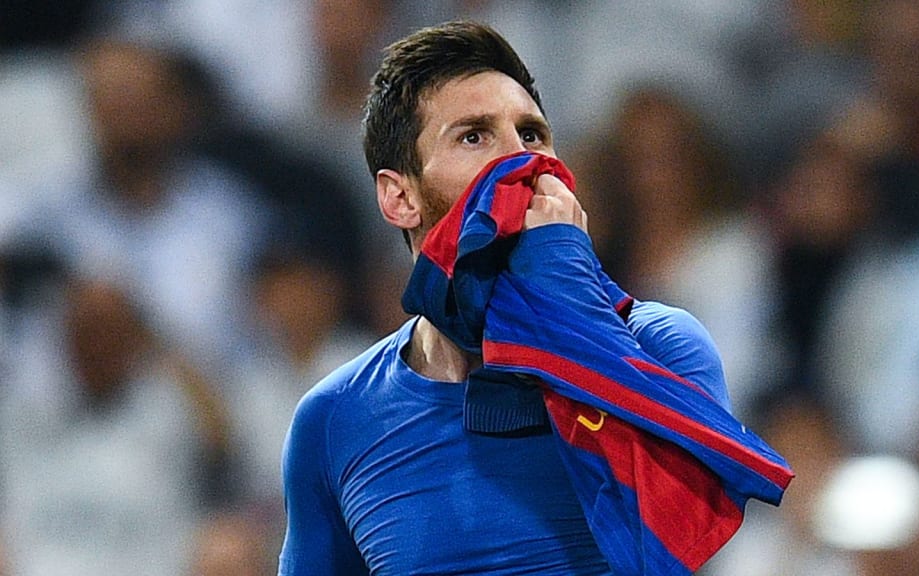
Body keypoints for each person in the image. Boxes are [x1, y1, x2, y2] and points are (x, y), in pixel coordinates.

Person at [278, 21, 787, 575]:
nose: (521, 160)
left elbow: (669, 550)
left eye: (532, 135)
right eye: (474, 137)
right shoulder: (335, 418)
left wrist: (564, 282)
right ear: (400, 197)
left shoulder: (661, 346)